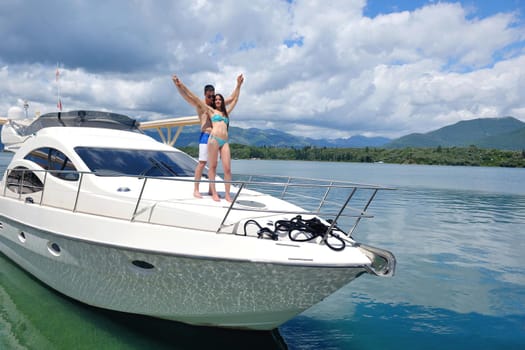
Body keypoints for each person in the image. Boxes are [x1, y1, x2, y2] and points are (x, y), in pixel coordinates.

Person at [172, 74, 243, 202]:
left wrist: (238, 84)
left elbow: (233, 98)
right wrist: (179, 86)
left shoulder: (217, 105)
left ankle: (212, 189)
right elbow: (189, 97)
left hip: (217, 138)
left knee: (213, 164)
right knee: (202, 163)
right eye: (209, 96)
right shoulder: (201, 105)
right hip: (206, 136)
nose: (212, 98)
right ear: (205, 95)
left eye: (213, 95)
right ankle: (196, 189)